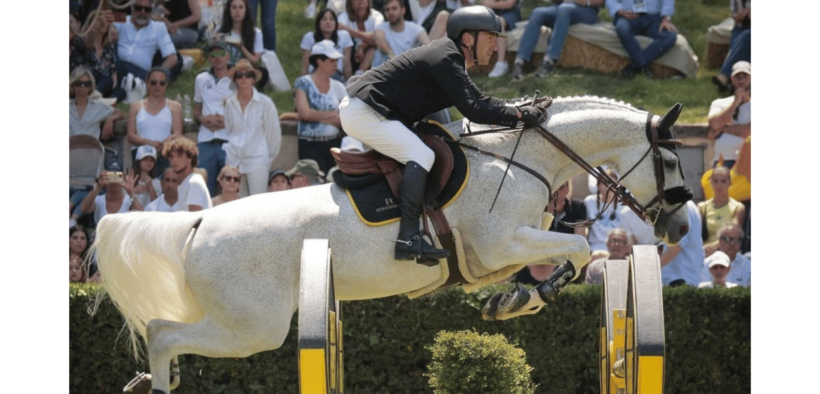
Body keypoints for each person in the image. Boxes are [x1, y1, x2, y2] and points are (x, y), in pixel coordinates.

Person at [340, 5, 549, 262]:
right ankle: (408, 238)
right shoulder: (445, 58)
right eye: (490, 38)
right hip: (364, 111)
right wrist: (519, 115)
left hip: (370, 110)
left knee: (422, 151)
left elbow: (481, 100)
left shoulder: (451, 58)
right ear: (468, 38)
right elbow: (474, 111)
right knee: (421, 155)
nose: (495, 47)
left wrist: (520, 108)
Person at [223, 59, 282, 197]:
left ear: (253, 79)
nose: (244, 78)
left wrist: (267, 159)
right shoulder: (229, 103)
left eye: (248, 74)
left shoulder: (265, 103)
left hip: (258, 160)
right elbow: (229, 130)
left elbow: (274, 134)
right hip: (234, 159)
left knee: (258, 201)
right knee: (237, 202)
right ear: (235, 80)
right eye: (239, 75)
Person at [512, 0, 604, 80]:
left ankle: (549, 61)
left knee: (564, 9)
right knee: (537, 12)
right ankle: (520, 61)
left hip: (587, 10)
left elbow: (602, 2)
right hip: (561, 7)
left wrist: (587, 2)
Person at [295, 40, 349, 175]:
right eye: (332, 61)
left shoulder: (339, 87)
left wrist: (314, 115)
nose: (336, 65)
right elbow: (305, 114)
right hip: (309, 144)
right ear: (319, 61)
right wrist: (333, 115)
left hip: (334, 144)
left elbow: (346, 119)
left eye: (337, 61)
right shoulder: (303, 82)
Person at [194, 41, 236, 196]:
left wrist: (227, 121)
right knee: (204, 189)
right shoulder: (201, 79)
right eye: (213, 54)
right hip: (206, 140)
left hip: (230, 140)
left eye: (221, 53)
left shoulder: (237, 78)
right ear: (209, 58)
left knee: (232, 185)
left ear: (228, 56)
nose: (217, 57)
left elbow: (245, 111)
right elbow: (196, 109)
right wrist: (203, 120)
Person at [126, 67, 183, 177]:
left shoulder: (175, 106)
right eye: (153, 82)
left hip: (164, 154)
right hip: (142, 155)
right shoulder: (135, 106)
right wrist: (149, 142)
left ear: (166, 84)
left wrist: (164, 143)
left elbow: (178, 133)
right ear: (147, 83)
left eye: (162, 83)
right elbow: (130, 136)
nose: (158, 86)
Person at [109, 0, 180, 81]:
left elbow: (172, 58)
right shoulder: (121, 18)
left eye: (147, 9)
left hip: (139, 73)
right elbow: (101, 17)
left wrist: (158, 74)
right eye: (138, 8)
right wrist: (111, 27)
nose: (143, 12)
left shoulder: (158, 27)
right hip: (117, 66)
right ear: (131, 8)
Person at [605, 0, 677, 80]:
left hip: (653, 18)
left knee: (670, 36)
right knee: (622, 28)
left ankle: (634, 66)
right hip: (627, 16)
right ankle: (642, 66)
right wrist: (620, 12)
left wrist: (666, 19)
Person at [217, 0, 270, 89]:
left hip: (245, 68)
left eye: (241, 7)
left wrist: (241, 47)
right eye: (234, 7)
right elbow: (215, 58)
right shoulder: (220, 31)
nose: (237, 11)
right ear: (229, 10)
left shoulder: (256, 33)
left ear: (246, 10)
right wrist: (217, 43)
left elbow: (255, 60)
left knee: (263, 72)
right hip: (227, 67)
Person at [707, 61, 751, 169]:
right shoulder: (719, 103)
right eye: (738, 76)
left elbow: (749, 131)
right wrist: (735, 103)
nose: (741, 80)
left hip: (748, 162)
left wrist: (722, 128)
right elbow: (714, 124)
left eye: (745, 76)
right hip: (722, 162)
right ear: (732, 79)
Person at [70, 8, 120, 98]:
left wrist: (113, 86)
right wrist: (94, 30)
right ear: (90, 24)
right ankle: (96, 98)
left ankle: (98, 97)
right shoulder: (80, 40)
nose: (103, 23)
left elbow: (113, 73)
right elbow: (88, 44)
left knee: (119, 90)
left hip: (103, 86)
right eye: (98, 20)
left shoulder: (109, 47)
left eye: (105, 21)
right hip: (84, 83)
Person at [698, 166, 746, 257]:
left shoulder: (738, 207)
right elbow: (695, 233)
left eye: (723, 181)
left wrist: (714, 246)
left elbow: (732, 233)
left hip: (728, 252)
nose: (719, 185)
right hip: (705, 251)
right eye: (715, 181)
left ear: (730, 183)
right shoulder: (702, 207)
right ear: (711, 182)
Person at [69, 67, 124, 140]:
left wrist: (110, 119)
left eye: (86, 84)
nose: (82, 87)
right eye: (79, 83)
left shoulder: (97, 105)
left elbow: (119, 113)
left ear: (90, 87)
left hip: (92, 146)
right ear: (73, 85)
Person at [372, 0, 430, 67]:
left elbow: (428, 47)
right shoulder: (381, 27)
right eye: (387, 10)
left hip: (408, 68)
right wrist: (392, 56)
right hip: (388, 67)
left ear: (403, 10)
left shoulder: (415, 29)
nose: (390, 12)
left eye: (394, 8)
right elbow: (380, 41)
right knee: (379, 54)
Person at [301, 9, 354, 82]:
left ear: (336, 23)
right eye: (324, 19)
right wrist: (303, 83)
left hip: (336, 74)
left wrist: (350, 84)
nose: (328, 22)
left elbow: (347, 64)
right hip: (315, 73)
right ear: (318, 22)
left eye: (331, 19)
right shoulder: (309, 37)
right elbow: (305, 65)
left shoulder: (344, 36)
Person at [659, 201, 703, 287]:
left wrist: (653, 269)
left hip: (679, 279)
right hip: (685, 277)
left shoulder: (680, 207)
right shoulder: (687, 205)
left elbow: (677, 245)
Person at [163, 137, 213, 211]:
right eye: (171, 156)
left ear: (189, 158)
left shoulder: (193, 183)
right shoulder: (187, 182)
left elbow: (195, 217)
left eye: (179, 156)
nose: (174, 160)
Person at [80, 169, 145, 227]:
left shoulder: (129, 200)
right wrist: (97, 188)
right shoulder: (98, 200)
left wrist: (131, 192)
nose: (114, 182)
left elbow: (141, 214)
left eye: (117, 177)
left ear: (123, 179)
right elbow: (84, 209)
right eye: (110, 177)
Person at [711, 0, 750, 93]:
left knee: (746, 36)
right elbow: (734, 14)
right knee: (737, 41)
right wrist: (738, 16)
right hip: (741, 26)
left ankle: (725, 75)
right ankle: (736, 82)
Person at [337, 0, 385, 75]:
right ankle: (346, 76)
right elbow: (338, 27)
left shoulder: (376, 16)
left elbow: (378, 36)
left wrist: (361, 46)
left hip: (369, 55)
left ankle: (359, 73)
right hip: (350, 54)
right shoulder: (344, 15)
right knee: (343, 35)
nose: (360, 1)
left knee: (376, 46)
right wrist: (364, 36)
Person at [584, 169, 622, 253]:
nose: (609, 187)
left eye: (613, 184)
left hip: (616, 250)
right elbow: (583, 226)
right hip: (595, 248)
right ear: (598, 186)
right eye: (605, 183)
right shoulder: (589, 202)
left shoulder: (623, 205)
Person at [482, 0, 519, 78]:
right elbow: (485, 3)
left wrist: (491, 4)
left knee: (498, 22)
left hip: (510, 14)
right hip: (491, 12)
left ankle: (501, 63)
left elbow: (509, 4)